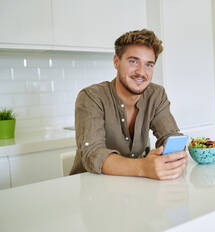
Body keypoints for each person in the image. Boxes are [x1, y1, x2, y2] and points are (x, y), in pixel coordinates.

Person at [70, 29, 188, 180]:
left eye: (149, 65)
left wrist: (174, 158)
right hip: (92, 187)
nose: (141, 72)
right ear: (116, 61)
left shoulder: (156, 95)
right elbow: (93, 154)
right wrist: (144, 167)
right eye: (133, 61)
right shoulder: (91, 97)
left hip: (133, 186)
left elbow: (170, 136)